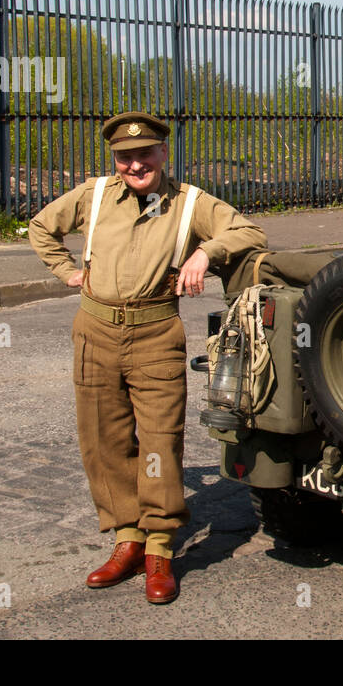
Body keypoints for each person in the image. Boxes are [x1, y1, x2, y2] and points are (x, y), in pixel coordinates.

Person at [28, 111, 266, 604]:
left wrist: (206, 254)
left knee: (159, 441)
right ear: (114, 159)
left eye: (144, 154)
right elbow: (40, 227)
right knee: (104, 439)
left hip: (156, 332)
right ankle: (126, 541)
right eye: (124, 156)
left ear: (162, 153)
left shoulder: (190, 202)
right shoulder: (93, 196)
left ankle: (159, 548)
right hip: (95, 329)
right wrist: (66, 271)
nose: (135, 164)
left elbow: (249, 233)